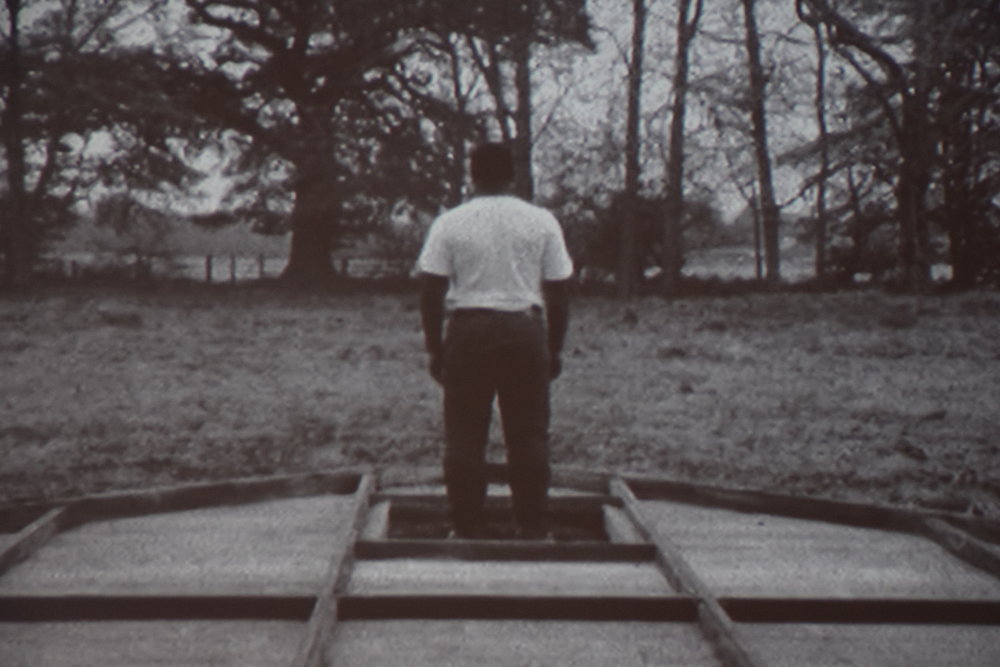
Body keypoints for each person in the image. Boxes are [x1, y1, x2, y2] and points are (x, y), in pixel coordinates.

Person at [416, 142, 573, 539]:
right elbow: (558, 291)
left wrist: (435, 348)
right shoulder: (541, 221)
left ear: (473, 175)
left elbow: (431, 289)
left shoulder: (450, 223)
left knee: (464, 435)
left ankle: (466, 527)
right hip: (524, 330)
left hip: (468, 332)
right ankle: (533, 527)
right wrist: (553, 348)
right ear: (512, 176)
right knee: (529, 434)